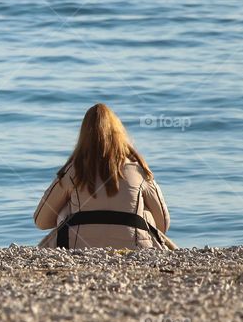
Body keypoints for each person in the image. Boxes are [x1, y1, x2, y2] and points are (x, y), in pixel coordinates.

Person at [33, 103, 174, 250]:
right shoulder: (139, 171)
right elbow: (162, 225)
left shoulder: (72, 171)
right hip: (136, 249)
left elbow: (41, 221)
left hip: (77, 248)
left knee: (65, 212)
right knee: (144, 214)